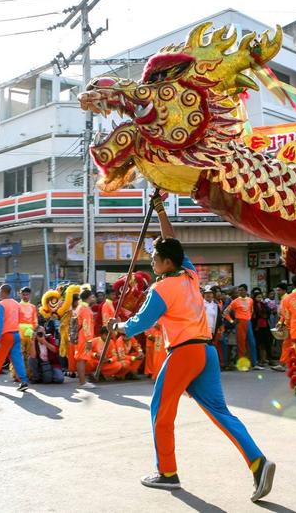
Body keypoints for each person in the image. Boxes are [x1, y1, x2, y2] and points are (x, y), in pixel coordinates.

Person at [109, 193, 275, 503]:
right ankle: (257, 462)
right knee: (220, 412)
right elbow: (173, 241)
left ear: (166, 262)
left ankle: (168, 473)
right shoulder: (189, 274)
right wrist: (159, 211)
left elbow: (138, 325)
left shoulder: (161, 287)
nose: (152, 262)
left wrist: (117, 327)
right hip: (206, 352)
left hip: (184, 353)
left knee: (160, 410)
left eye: (155, 258)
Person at [223, 284, 255, 367]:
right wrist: (232, 321)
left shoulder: (250, 300)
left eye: (242, 290)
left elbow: (251, 310)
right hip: (239, 323)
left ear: (246, 291)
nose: (240, 292)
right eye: (239, 290)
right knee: (241, 345)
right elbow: (225, 313)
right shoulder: (235, 301)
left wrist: (248, 318)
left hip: (248, 322)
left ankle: (254, 363)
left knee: (251, 343)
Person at [74, 289, 97, 389]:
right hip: (83, 337)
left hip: (80, 336)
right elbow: (86, 326)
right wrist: (89, 340)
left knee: (81, 359)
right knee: (81, 359)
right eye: (92, 297)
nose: (93, 298)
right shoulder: (85, 309)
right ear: (88, 298)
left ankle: (82, 382)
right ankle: (82, 383)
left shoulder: (80, 307)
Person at [18, 287, 38, 379]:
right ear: (20, 294)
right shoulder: (17, 306)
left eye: (27, 294)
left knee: (30, 354)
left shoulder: (33, 307)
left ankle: (29, 374)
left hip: (30, 333)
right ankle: (18, 375)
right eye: (23, 294)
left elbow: (35, 321)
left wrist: (33, 330)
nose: (25, 296)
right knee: (19, 355)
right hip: (19, 333)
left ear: (30, 295)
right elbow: (14, 320)